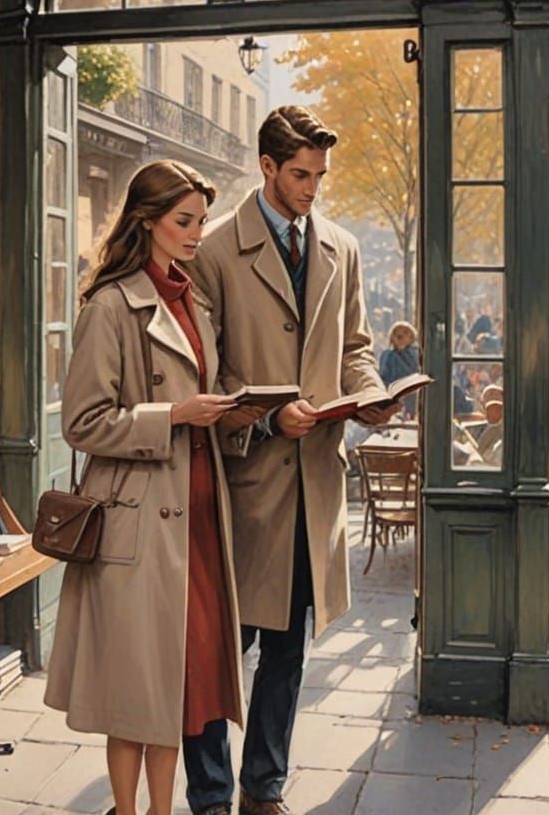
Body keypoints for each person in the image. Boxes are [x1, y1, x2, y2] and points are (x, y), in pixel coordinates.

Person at [185, 105, 389, 815]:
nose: (312, 188)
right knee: (216, 653)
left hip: (313, 485)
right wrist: (268, 416)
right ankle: (209, 794)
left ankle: (263, 787)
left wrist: (368, 395)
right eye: (300, 174)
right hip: (242, 484)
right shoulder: (211, 251)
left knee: (288, 648)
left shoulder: (341, 246)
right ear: (267, 167)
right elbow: (198, 377)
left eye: (320, 175)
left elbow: (356, 345)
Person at [44, 160, 250, 815]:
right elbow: (81, 423)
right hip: (138, 522)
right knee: (136, 690)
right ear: (147, 220)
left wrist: (235, 414)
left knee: (182, 685)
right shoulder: (110, 306)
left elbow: (200, 395)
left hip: (197, 514)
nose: (196, 233)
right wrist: (173, 416)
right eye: (184, 221)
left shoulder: (196, 302)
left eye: (201, 220)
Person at [379, 321, 420, 417]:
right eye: (396, 334)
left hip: (411, 393)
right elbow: (383, 374)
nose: (400, 336)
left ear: (411, 337)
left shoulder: (415, 354)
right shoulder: (387, 355)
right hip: (391, 392)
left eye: (405, 333)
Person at [475, 384, 504, 466]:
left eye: (495, 394)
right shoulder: (476, 428)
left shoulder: (504, 427)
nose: (492, 398)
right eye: (488, 395)